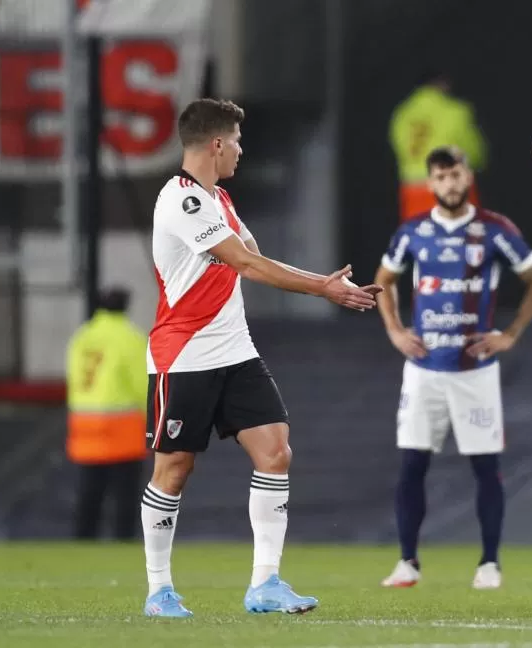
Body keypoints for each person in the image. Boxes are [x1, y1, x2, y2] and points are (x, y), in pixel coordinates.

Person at [141, 98, 381, 618]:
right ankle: (159, 590)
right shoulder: (182, 202)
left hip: (235, 350)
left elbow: (255, 255)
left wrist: (322, 282)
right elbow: (246, 264)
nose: (242, 151)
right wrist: (323, 288)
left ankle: (265, 585)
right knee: (175, 468)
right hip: (183, 355)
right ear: (217, 144)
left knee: (276, 452)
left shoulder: (219, 199)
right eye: (238, 141)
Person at [374, 145, 532, 590]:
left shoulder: (494, 230)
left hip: (475, 370)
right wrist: (396, 331)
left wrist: (509, 334)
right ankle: (407, 562)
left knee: (484, 468)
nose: (450, 184)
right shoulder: (412, 232)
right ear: (430, 182)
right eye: (441, 177)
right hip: (425, 368)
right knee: (412, 465)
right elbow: (383, 280)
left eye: (456, 175)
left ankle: (489, 563)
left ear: (467, 176)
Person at [65, 287, 147, 541]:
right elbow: (142, 383)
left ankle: (82, 543)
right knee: (125, 495)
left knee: (89, 493)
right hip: (122, 425)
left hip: (84, 423)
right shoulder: (130, 337)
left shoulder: (82, 336)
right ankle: (122, 543)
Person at [389, 69, 487, 221]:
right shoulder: (454, 111)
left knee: (419, 240)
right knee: (460, 240)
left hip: (413, 191)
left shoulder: (402, 114)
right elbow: (475, 153)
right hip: (451, 189)